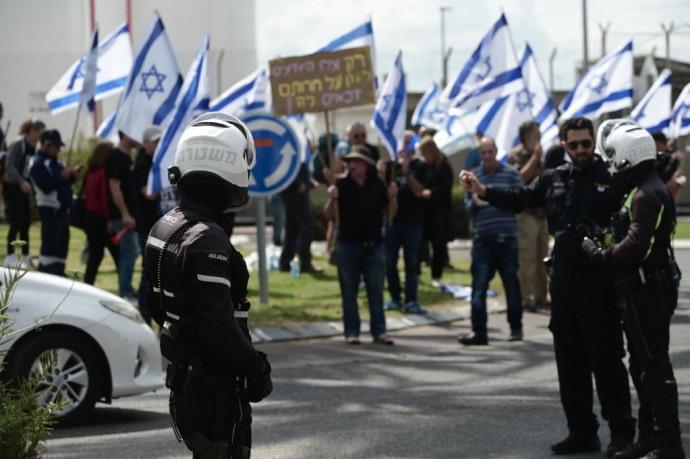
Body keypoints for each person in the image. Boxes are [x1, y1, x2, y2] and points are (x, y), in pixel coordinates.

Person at [459, 117, 635, 457]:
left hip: (599, 284)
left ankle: (622, 433)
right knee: (570, 364)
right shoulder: (555, 178)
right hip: (564, 285)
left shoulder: (612, 180)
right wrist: (482, 191)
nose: (581, 150)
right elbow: (521, 198)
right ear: (564, 145)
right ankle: (582, 432)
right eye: (575, 145)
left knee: (607, 361)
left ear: (594, 145)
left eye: (587, 144)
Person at [146, 112, 272, 458]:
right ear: (231, 166)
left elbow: (154, 305)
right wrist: (256, 365)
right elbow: (217, 326)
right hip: (213, 391)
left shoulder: (164, 226)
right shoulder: (207, 238)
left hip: (187, 384)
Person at [583, 122, 684, 459]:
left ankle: (669, 445)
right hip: (641, 288)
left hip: (646, 290)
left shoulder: (646, 193)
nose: (609, 161)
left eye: (611, 154)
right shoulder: (644, 187)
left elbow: (637, 246)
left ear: (628, 154)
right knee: (642, 365)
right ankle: (650, 438)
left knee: (653, 366)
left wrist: (601, 254)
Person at [324, 145, 397, 345]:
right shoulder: (341, 185)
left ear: (366, 165)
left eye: (356, 162)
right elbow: (329, 216)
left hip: (374, 245)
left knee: (376, 291)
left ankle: (379, 331)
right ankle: (352, 332)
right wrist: (332, 199)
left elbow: (391, 214)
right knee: (349, 291)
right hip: (348, 245)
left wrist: (392, 197)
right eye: (350, 162)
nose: (352, 165)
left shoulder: (378, 185)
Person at [459, 136, 523, 345]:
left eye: (490, 151)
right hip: (483, 242)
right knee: (478, 289)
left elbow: (519, 201)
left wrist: (494, 196)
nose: (487, 156)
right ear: (479, 154)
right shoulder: (474, 176)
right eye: (483, 152)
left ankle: (516, 329)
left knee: (512, 287)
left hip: (506, 241)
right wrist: (474, 198)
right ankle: (479, 332)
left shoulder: (511, 174)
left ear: (497, 151)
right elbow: (468, 208)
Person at [381, 131, 428, 315]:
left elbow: (419, 191)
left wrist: (407, 171)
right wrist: (383, 177)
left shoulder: (420, 166)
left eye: (408, 142)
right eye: (402, 142)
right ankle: (395, 298)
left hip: (413, 222)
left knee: (412, 263)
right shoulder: (390, 166)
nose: (405, 146)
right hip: (392, 222)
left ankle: (411, 300)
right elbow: (380, 195)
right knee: (390, 262)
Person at [508, 120, 549, 311]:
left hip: (542, 214)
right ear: (527, 135)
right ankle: (526, 297)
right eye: (536, 133)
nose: (539, 136)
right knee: (527, 257)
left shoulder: (540, 155)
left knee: (543, 256)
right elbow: (520, 178)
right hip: (526, 215)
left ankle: (541, 296)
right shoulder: (517, 155)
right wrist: (534, 158)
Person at [29, 129, 82, 276]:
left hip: (62, 210)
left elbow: (63, 182)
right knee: (50, 245)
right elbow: (46, 186)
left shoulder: (57, 162)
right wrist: (62, 177)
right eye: (56, 146)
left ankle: (59, 272)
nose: (59, 149)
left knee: (62, 245)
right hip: (50, 209)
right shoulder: (38, 163)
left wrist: (72, 176)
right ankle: (46, 273)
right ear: (46, 144)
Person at [3, 118, 44, 267]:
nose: (41, 137)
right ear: (31, 131)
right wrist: (21, 181)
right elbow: (10, 167)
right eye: (40, 133)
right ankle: (9, 255)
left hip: (24, 188)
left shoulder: (34, 148)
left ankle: (26, 255)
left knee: (26, 222)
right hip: (12, 186)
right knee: (16, 221)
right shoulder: (18, 144)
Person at [132, 126, 162, 325]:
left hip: (158, 224)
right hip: (147, 225)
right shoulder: (142, 164)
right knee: (148, 273)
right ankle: (144, 315)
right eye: (155, 141)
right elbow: (149, 194)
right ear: (145, 144)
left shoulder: (155, 162)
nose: (158, 144)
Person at [106, 131, 140, 302]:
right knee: (130, 251)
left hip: (132, 215)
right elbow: (114, 187)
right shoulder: (115, 157)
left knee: (131, 251)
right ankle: (125, 293)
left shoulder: (129, 157)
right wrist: (125, 214)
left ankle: (127, 289)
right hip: (124, 217)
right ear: (126, 134)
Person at [418, 136, 454, 287]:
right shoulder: (422, 166)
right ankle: (417, 273)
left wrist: (432, 193)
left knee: (438, 245)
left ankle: (436, 276)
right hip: (424, 212)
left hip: (439, 212)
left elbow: (446, 188)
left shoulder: (443, 165)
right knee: (419, 244)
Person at [83, 141, 119, 285]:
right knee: (117, 254)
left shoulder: (91, 172)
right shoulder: (104, 173)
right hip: (101, 218)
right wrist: (110, 219)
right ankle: (125, 286)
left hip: (90, 217)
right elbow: (104, 197)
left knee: (94, 257)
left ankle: (87, 284)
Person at [278, 162, 322, 274]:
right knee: (308, 227)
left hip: (292, 194)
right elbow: (288, 167)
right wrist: (299, 184)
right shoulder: (294, 147)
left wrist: (307, 182)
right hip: (296, 195)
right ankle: (305, 263)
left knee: (292, 230)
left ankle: (285, 263)